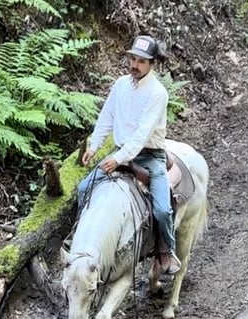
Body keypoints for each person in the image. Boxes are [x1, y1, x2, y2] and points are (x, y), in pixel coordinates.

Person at [76, 34, 180, 275]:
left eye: (141, 61)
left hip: (149, 156)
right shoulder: (121, 84)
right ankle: (81, 239)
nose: (135, 65)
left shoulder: (158, 93)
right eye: (133, 59)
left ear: (152, 63)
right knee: (83, 189)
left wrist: (118, 158)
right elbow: (107, 117)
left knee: (163, 210)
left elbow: (141, 135)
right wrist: (94, 146)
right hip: (120, 153)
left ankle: (167, 250)